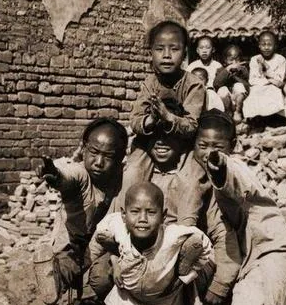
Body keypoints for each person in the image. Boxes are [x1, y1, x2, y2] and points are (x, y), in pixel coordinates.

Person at [89, 123, 242, 305]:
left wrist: (219, 287)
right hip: (135, 255)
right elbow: (109, 226)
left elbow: (222, 233)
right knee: (100, 276)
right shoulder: (134, 175)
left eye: (169, 136)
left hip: (177, 262)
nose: (161, 142)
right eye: (155, 136)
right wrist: (111, 259)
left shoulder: (196, 180)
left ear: (182, 139)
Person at [193, 110, 286, 305]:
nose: (209, 153)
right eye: (203, 145)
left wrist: (221, 166)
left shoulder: (235, 167)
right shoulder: (198, 179)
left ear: (232, 146)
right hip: (244, 260)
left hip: (268, 256)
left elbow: (230, 175)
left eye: (217, 147)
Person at [34, 118, 128, 305]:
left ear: (119, 158)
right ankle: (55, 279)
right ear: (84, 148)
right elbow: (66, 177)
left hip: (103, 247)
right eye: (94, 152)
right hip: (72, 245)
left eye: (108, 156)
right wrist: (55, 176)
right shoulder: (80, 174)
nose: (99, 162)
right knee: (66, 264)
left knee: (101, 280)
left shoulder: (122, 180)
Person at [125, 21, 206, 225]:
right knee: (132, 173)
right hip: (152, 142)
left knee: (190, 180)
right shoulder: (149, 83)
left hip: (182, 144)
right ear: (151, 53)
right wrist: (151, 119)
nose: (167, 55)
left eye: (174, 49)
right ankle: (119, 222)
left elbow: (191, 125)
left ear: (185, 54)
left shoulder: (194, 85)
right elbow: (135, 121)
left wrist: (168, 116)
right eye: (160, 49)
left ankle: (185, 228)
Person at [92, 182, 214, 305]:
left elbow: (204, 243)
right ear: (124, 215)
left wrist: (186, 276)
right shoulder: (119, 227)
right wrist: (115, 259)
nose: (142, 219)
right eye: (135, 211)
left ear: (163, 216)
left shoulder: (171, 235)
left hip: (164, 297)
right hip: (128, 296)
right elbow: (102, 228)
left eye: (151, 212)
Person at [242, 31, 286, 127]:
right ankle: (257, 121)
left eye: (270, 44)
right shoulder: (254, 59)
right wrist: (270, 81)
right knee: (255, 92)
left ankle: (273, 119)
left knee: (274, 91)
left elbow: (279, 80)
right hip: (259, 87)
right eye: (263, 44)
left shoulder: (281, 59)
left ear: (275, 46)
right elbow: (252, 80)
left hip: (273, 88)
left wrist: (265, 65)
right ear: (259, 46)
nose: (266, 47)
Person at [213, 45, 249, 123]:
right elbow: (216, 84)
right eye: (231, 60)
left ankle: (237, 112)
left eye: (237, 60)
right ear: (225, 61)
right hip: (227, 101)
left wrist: (235, 76)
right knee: (222, 90)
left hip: (239, 100)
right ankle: (227, 113)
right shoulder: (221, 70)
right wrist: (228, 70)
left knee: (238, 86)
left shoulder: (243, 70)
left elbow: (247, 87)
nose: (234, 63)